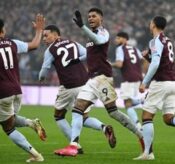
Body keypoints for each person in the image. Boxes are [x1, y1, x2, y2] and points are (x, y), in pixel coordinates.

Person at [56, 7, 143, 156]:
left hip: (103, 78)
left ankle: (140, 135)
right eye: (88, 16)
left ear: (101, 19)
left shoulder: (103, 33)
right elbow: (90, 55)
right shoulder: (91, 37)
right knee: (77, 110)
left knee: (114, 113)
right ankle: (73, 146)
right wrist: (75, 60)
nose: (90, 18)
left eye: (93, 16)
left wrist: (82, 26)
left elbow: (99, 41)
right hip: (91, 80)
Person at [39, 24, 116, 154]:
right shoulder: (73, 43)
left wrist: (41, 78)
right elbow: (87, 54)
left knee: (59, 116)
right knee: (83, 116)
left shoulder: (50, 50)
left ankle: (75, 145)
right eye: (43, 37)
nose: (44, 39)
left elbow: (44, 70)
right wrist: (75, 60)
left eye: (46, 35)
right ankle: (103, 128)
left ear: (56, 34)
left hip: (68, 86)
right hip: (84, 83)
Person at [0, 14, 46, 162]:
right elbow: (34, 45)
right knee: (8, 119)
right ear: (2, 32)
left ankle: (36, 155)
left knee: (8, 127)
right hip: (17, 90)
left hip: (3, 93)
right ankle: (31, 123)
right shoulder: (12, 43)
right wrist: (39, 30)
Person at [133, 16, 175, 160]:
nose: (149, 24)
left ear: (154, 25)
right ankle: (147, 153)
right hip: (172, 83)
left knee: (146, 116)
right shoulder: (168, 40)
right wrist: (148, 57)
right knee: (169, 119)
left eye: (150, 22)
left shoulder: (155, 41)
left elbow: (156, 64)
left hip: (161, 83)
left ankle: (148, 153)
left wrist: (144, 82)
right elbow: (163, 61)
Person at [111, 32, 143, 130]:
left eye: (118, 38)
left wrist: (109, 64)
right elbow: (142, 60)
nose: (116, 40)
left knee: (127, 103)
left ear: (125, 39)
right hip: (138, 77)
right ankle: (141, 100)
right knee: (129, 100)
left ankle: (137, 125)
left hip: (128, 78)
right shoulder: (135, 49)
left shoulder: (120, 49)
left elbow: (119, 64)